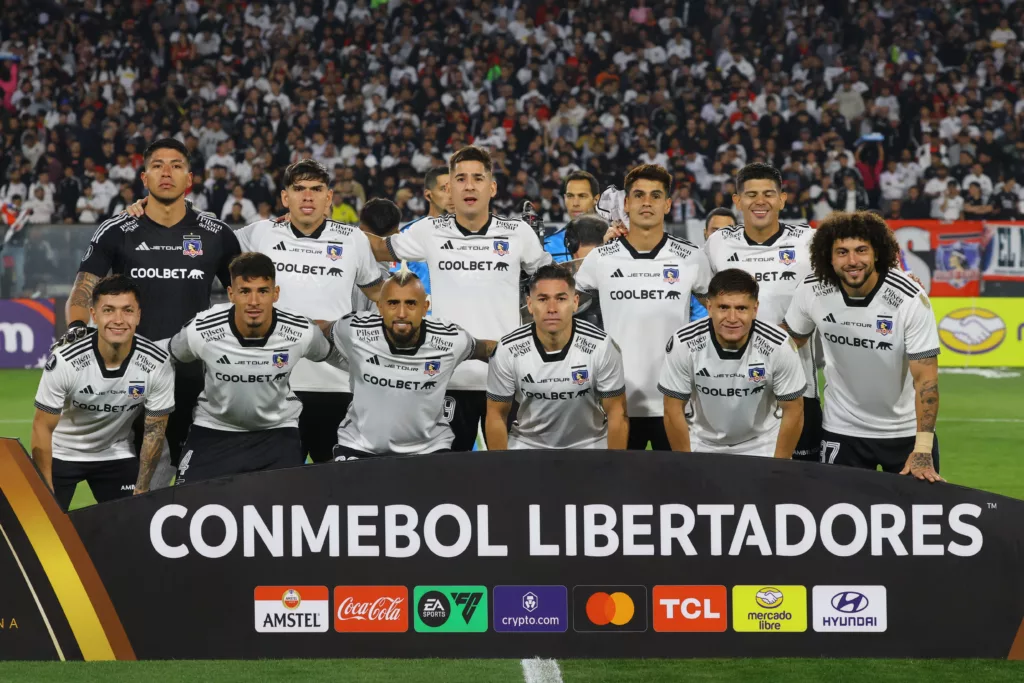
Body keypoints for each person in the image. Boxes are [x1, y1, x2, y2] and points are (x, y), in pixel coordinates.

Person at [61, 138, 241, 488]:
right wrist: (77, 328)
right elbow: (83, 288)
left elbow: (245, 292)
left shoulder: (215, 233)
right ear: (144, 177)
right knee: (138, 492)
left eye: (176, 165)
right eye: (158, 165)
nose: (166, 173)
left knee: (201, 488)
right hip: (132, 377)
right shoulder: (118, 230)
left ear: (189, 178)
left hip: (197, 378)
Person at [365, 145, 552, 451]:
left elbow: (553, 284)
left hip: (507, 377)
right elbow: (380, 248)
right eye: (461, 178)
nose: (469, 185)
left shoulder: (518, 233)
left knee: (512, 475)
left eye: (478, 178)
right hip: (448, 378)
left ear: (491, 187)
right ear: (449, 187)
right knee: (449, 474)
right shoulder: (428, 231)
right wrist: (323, 225)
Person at [233, 160, 384, 464]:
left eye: (316, 190)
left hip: (337, 383)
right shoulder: (261, 233)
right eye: (299, 189)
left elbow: (380, 295)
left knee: (338, 486)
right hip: (272, 384)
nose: (307, 197)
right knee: (273, 486)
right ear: (285, 197)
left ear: (329, 197)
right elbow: (207, 240)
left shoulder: (352, 240)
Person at [783, 211, 942, 482]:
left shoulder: (908, 298)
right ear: (828, 256)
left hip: (903, 434)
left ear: (877, 253)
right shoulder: (812, 290)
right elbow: (789, 341)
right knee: (838, 519)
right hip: (841, 429)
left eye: (861, 250)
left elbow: (926, 380)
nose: (852, 261)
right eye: (842, 252)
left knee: (916, 520)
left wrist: (923, 449)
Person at [574, 164, 712, 451]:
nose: (646, 202)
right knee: (618, 490)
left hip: (676, 403)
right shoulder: (601, 259)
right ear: (626, 204)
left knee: (678, 490)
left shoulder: (692, 258)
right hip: (615, 404)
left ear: (667, 205)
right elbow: (567, 314)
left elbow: (721, 314)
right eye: (638, 195)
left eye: (655, 195)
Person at [167, 252, 334, 484]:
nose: (254, 302)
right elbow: (167, 355)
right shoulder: (202, 330)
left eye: (262, 291)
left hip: (276, 433)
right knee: (188, 508)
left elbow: (335, 356)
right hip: (214, 430)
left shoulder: (301, 331)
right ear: (231, 294)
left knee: (285, 515)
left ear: (275, 294)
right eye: (245, 291)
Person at [703, 163, 821, 461]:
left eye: (769, 194)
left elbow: (853, 266)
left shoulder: (809, 242)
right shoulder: (717, 243)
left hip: (797, 385)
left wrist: (901, 274)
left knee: (799, 482)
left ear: (782, 199)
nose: (760, 201)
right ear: (737, 200)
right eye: (751, 194)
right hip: (732, 386)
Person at [31, 275, 174, 509]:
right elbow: (41, 427)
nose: (118, 320)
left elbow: (155, 432)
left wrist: (142, 487)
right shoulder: (66, 360)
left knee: (133, 525)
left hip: (115, 453)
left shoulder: (157, 363)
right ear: (93, 315)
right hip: (62, 451)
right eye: (108, 310)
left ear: (138, 315)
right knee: (39, 528)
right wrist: (45, 489)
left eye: (127, 310)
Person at [325, 269, 496, 457]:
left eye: (411, 304)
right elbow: (318, 331)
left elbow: (487, 349)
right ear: (380, 306)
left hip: (429, 449)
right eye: (393, 303)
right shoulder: (353, 329)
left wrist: (524, 357)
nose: (401, 313)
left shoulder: (451, 340)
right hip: (358, 447)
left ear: (425, 307)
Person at [660, 269, 806, 458]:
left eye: (741, 308)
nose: (732, 318)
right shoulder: (683, 343)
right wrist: (687, 464)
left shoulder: (778, 344)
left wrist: (779, 467)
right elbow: (672, 409)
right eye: (723, 307)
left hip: (762, 444)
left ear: (755, 309)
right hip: (703, 444)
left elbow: (794, 410)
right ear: (709, 306)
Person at [485, 264, 628, 449]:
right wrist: (501, 468)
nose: (552, 308)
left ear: (575, 302)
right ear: (530, 304)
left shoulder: (601, 346)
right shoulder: (508, 349)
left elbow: (617, 412)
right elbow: (496, 415)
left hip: (590, 444)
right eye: (543, 299)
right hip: (527, 445)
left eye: (561, 299)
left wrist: (613, 468)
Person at [396, 166, 454, 293]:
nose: (451, 196)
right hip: (425, 311)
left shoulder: (473, 235)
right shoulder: (409, 233)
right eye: (444, 189)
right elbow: (395, 281)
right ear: (428, 195)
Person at [543, 170, 601, 262]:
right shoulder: (548, 246)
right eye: (570, 196)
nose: (575, 203)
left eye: (582, 196)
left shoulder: (614, 241)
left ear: (596, 199)